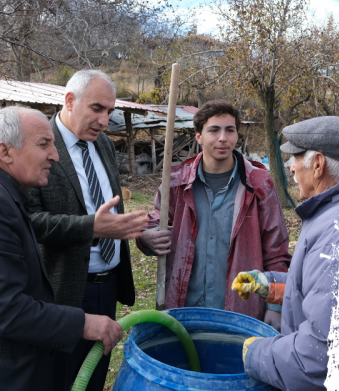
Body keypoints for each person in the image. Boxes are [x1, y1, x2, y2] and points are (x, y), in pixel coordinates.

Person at [28, 70, 164, 391]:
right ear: (70, 101)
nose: (104, 120)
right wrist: (91, 228)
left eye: (109, 112)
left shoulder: (102, 144)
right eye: (97, 108)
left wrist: (134, 232)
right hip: (63, 292)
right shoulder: (39, 145)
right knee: (61, 379)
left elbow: (108, 207)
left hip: (108, 286)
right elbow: (30, 222)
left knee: (94, 374)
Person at [0, 106, 123, 391]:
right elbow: (6, 309)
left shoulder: (11, 197)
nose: (55, 155)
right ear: (6, 153)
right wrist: (82, 323)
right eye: (44, 145)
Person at [141, 101, 291, 328]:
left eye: (230, 130)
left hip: (241, 313)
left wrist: (274, 304)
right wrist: (145, 237)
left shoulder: (259, 185)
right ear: (199, 136)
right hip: (184, 311)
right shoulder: (174, 182)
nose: (223, 138)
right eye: (214, 130)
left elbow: (276, 251)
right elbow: (154, 224)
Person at [230, 115, 339, 390]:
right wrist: (269, 284)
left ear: (318, 164)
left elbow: (319, 355)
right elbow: (319, 291)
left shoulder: (337, 232)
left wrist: (257, 354)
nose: (291, 167)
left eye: (295, 157)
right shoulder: (330, 211)